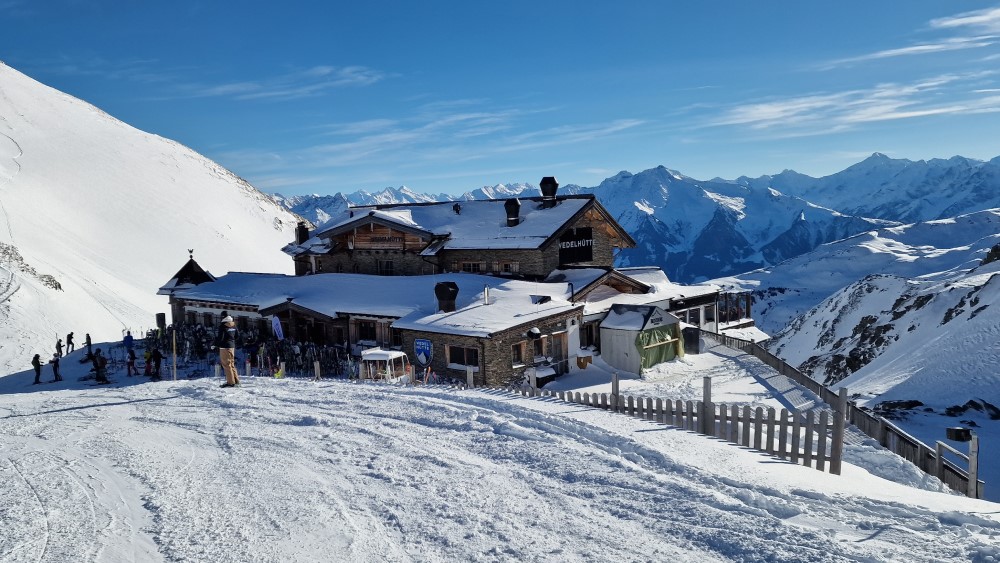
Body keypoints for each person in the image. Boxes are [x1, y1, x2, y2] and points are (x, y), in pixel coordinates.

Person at [216, 315, 240, 388]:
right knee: (231, 364)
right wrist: (231, 340)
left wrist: (215, 344)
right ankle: (236, 381)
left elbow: (220, 337)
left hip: (224, 347)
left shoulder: (223, 326)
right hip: (232, 346)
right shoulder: (233, 325)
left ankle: (230, 382)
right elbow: (237, 336)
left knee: (226, 364)